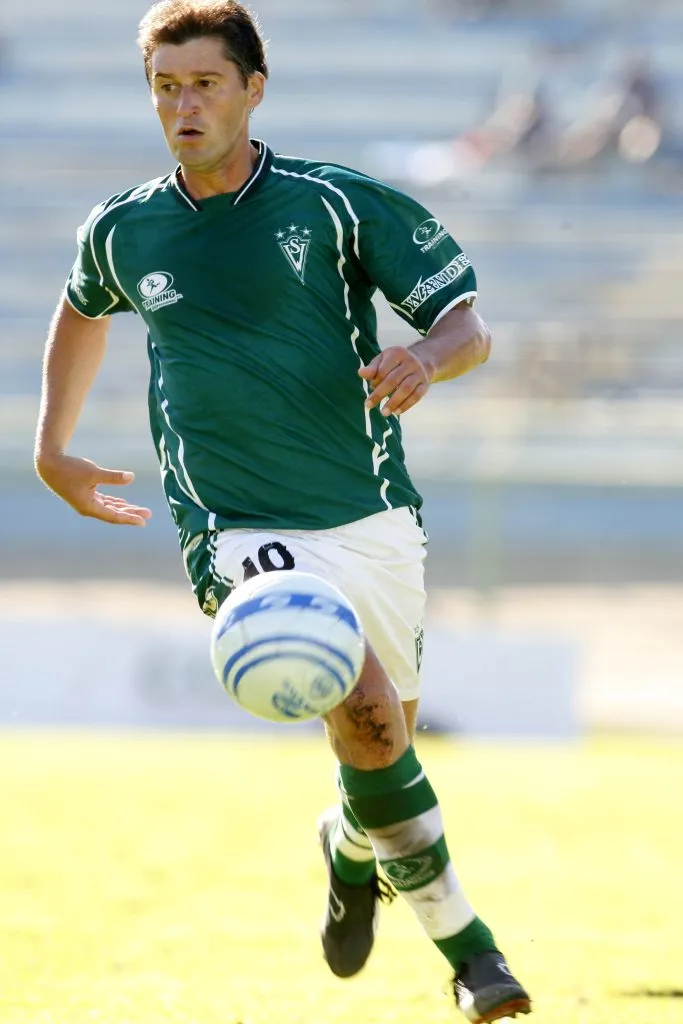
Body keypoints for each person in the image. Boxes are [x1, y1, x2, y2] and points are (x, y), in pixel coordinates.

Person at [33, 2, 531, 1021]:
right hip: (234, 523)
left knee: (380, 742)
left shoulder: (333, 205)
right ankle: (473, 953)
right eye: (165, 86)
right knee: (360, 703)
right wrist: (53, 446)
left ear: (253, 89)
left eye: (204, 83)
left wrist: (423, 358)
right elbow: (82, 304)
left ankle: (346, 850)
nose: (183, 105)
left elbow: (464, 322)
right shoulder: (125, 226)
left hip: (368, 514)